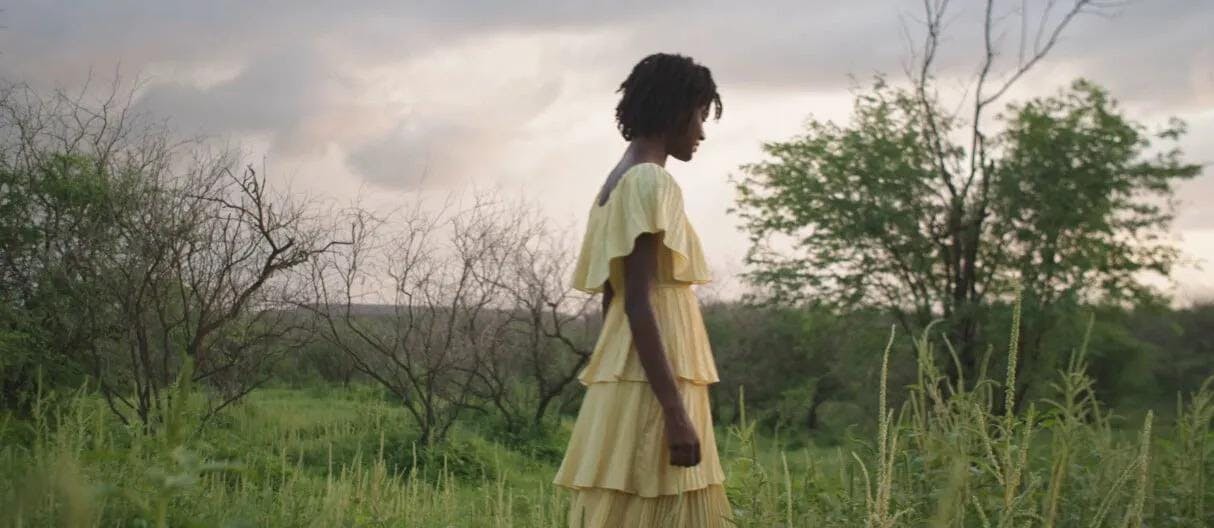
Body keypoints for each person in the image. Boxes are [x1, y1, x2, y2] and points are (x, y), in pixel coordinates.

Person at [552, 52, 733, 527]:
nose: (702, 130)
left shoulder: (617, 180)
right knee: (662, 503)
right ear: (676, 110)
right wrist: (674, 412)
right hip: (660, 373)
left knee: (634, 499)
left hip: (637, 370)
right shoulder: (651, 181)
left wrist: (616, 368)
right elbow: (636, 300)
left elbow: (615, 299)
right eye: (698, 114)